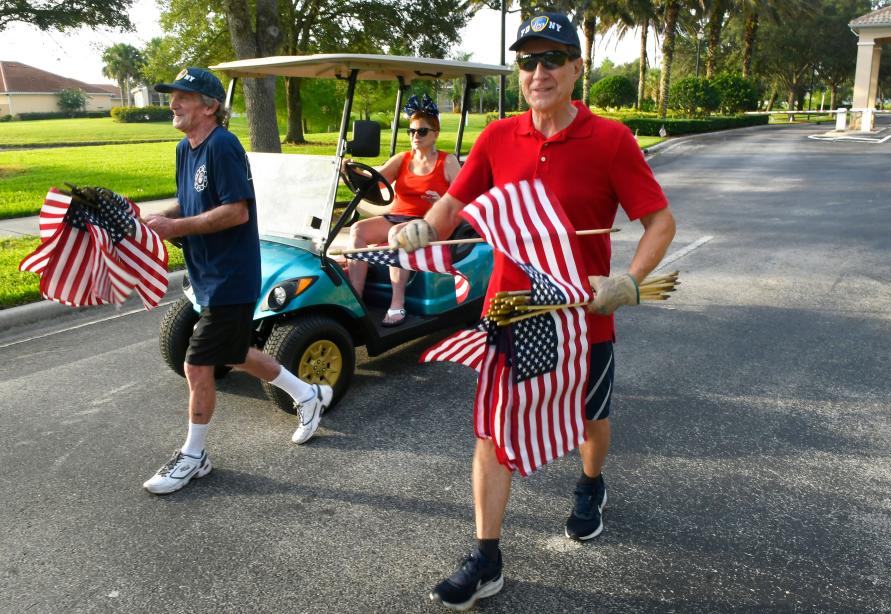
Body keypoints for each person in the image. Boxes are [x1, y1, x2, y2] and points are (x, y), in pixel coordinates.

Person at [390, 13, 676, 610]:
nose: (538, 72)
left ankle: (590, 485)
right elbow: (451, 205)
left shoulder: (612, 140)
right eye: (528, 61)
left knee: (588, 422)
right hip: (510, 317)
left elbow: (659, 222)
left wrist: (629, 279)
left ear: (577, 67)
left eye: (552, 59)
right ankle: (486, 557)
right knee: (492, 435)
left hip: (584, 320)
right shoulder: (498, 137)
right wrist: (422, 228)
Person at [142, 67, 333, 495]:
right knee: (234, 352)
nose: (173, 103)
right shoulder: (184, 149)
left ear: (209, 106)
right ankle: (308, 394)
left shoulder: (224, 146)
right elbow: (189, 202)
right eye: (172, 96)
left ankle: (195, 456)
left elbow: (236, 212)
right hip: (205, 273)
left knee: (196, 363)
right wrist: (155, 220)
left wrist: (177, 228)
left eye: (183, 97)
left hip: (232, 275)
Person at [345, 94, 461, 326]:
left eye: (422, 131)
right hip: (396, 217)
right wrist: (348, 170)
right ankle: (355, 301)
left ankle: (397, 303)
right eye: (411, 131)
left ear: (435, 133)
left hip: (428, 222)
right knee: (357, 229)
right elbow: (374, 181)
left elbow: (461, 197)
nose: (414, 136)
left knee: (395, 234)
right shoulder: (402, 158)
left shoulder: (447, 162)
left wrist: (441, 200)